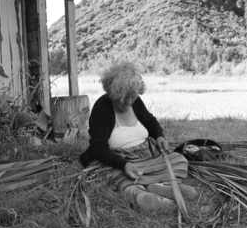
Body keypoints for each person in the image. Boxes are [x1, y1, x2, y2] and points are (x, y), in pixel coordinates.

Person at [80, 61, 196, 211]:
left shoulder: (136, 101)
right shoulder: (102, 108)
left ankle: (161, 187)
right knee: (115, 175)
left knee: (179, 160)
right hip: (118, 160)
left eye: (133, 97)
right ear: (113, 93)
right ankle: (140, 194)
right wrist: (124, 164)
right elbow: (98, 148)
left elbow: (150, 121)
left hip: (148, 157)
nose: (129, 102)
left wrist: (159, 136)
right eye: (124, 98)